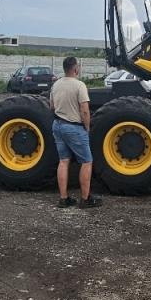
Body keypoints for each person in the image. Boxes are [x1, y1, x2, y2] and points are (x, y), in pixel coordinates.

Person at [50, 56, 101, 208]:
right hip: (74, 128)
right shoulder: (80, 85)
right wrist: (87, 127)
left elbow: (51, 106)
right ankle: (85, 199)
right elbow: (84, 110)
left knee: (64, 161)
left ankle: (64, 198)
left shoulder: (56, 84)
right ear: (75, 68)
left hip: (57, 125)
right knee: (86, 161)